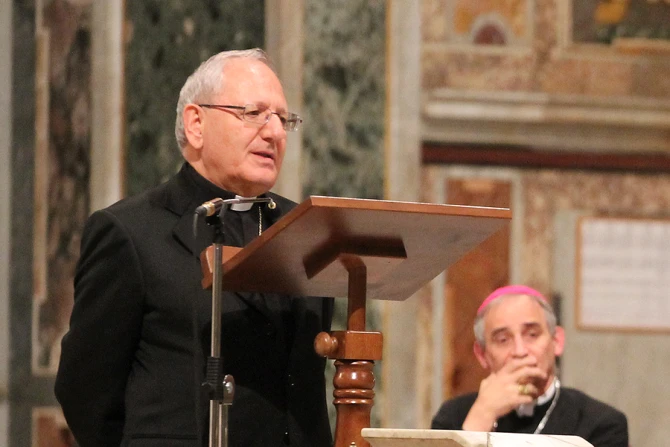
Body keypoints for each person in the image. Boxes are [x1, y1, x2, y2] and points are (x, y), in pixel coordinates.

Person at [55, 48, 334, 447]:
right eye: (253, 113)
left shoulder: (308, 232)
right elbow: (85, 389)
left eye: (282, 119)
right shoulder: (131, 233)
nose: (273, 132)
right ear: (196, 123)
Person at [431, 285, 628, 447]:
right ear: (482, 355)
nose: (519, 350)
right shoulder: (453, 417)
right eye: (502, 339)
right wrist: (481, 417)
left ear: (556, 341)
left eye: (532, 335)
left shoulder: (602, 422)